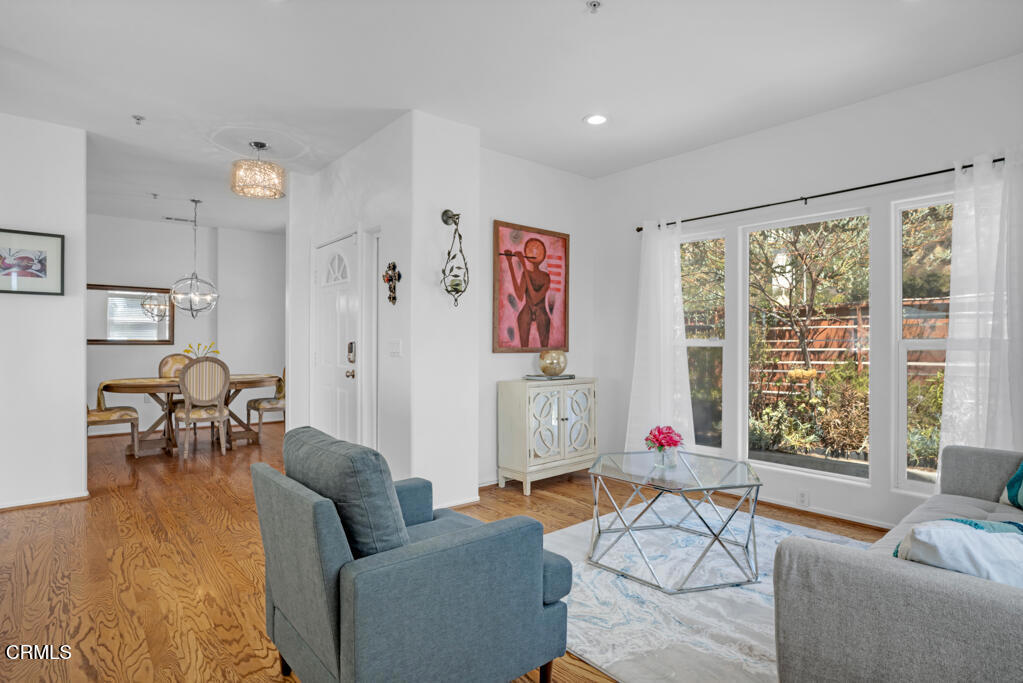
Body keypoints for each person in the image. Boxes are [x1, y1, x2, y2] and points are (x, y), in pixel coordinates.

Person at [501, 237, 551, 348]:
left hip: (541, 310)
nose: (534, 252)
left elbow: (535, 298)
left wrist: (524, 266)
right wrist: (509, 262)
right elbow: (519, 295)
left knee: (545, 342)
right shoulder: (526, 273)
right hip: (527, 309)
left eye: (538, 249)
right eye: (531, 249)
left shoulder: (545, 277)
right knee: (522, 319)